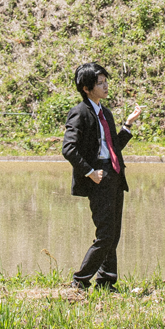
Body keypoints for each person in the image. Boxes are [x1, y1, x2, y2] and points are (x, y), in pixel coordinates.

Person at [62, 61, 141, 290]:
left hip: (114, 175)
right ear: (86, 88)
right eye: (100, 83)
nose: (105, 86)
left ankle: (106, 281)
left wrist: (127, 125)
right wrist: (89, 172)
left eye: (106, 81)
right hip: (98, 177)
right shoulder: (79, 113)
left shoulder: (104, 112)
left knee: (113, 234)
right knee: (105, 234)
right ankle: (80, 280)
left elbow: (113, 146)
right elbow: (69, 149)